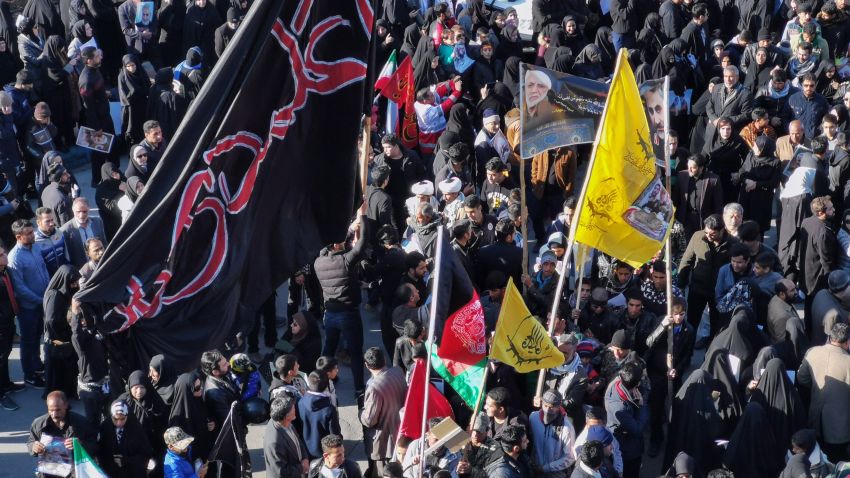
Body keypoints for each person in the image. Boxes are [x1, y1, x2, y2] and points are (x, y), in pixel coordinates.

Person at [314, 203, 368, 396]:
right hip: (349, 313)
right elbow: (361, 246)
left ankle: (320, 381)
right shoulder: (345, 261)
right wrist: (362, 218)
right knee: (355, 352)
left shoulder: (318, 263)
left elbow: (325, 250)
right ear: (337, 245)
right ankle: (359, 388)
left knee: (328, 348)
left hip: (330, 314)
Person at [678, 214, 740, 341]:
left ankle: (711, 354)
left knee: (717, 325)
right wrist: (680, 283)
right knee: (691, 323)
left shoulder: (733, 244)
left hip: (719, 292)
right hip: (697, 289)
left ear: (722, 230)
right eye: (706, 232)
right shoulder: (697, 237)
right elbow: (687, 260)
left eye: (712, 234)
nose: (707, 236)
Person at [798, 322, 850, 462]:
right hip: (840, 430)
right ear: (847, 342)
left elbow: (802, 379)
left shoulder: (812, 352)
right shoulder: (848, 361)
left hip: (816, 420)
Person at [8, 218, 49, 388]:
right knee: (28, 341)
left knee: (37, 336)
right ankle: (29, 374)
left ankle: (37, 365)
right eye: (29, 233)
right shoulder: (14, 257)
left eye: (32, 231)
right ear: (19, 237)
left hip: (42, 304)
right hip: (29, 308)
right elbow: (20, 288)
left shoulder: (35, 247)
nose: (33, 235)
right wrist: (40, 300)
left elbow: (44, 270)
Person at [359, 347, 406, 477]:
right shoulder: (398, 371)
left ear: (366, 366)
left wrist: (361, 413)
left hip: (384, 442)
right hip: (400, 433)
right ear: (384, 359)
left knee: (382, 473)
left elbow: (370, 420)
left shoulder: (374, 387)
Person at [27, 391, 98, 471]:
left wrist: (80, 445)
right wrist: (34, 447)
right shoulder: (38, 423)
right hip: (50, 469)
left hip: (75, 469)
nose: (54, 414)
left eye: (58, 410)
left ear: (66, 405)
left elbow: (94, 445)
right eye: (51, 410)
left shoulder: (82, 423)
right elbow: (31, 441)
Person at [800, 196, 839, 330]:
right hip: (818, 278)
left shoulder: (807, 222)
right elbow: (826, 260)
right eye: (830, 208)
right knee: (818, 308)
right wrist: (833, 282)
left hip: (807, 274)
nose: (834, 210)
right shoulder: (823, 232)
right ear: (821, 213)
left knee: (808, 306)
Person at [78, 47, 115, 185]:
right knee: (99, 152)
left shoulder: (95, 70)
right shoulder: (86, 80)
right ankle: (97, 180)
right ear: (89, 60)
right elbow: (89, 107)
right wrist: (96, 127)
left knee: (111, 147)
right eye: (97, 56)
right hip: (98, 121)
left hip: (105, 116)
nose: (100, 58)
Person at [604, 362, 648, 478]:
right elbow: (637, 429)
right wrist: (642, 405)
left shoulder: (617, 383)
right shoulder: (620, 408)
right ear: (635, 384)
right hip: (627, 448)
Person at [42, 264, 79, 399]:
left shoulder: (61, 292)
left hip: (60, 339)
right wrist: (66, 332)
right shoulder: (55, 295)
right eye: (72, 282)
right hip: (57, 340)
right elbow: (52, 320)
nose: (75, 285)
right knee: (57, 371)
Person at [97, 400, 152, 478]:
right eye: (115, 419)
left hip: (132, 473)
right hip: (110, 471)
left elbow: (146, 454)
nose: (119, 423)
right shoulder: (105, 428)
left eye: (123, 419)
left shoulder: (137, 429)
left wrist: (126, 460)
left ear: (127, 416)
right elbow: (100, 451)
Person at [529, 389, 576, 477]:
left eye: (551, 407)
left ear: (558, 407)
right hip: (535, 469)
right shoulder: (533, 418)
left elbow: (570, 457)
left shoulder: (566, 427)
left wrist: (547, 468)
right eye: (545, 405)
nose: (547, 409)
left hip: (555, 473)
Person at [263, 396, 310, 478]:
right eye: (293, 408)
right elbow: (281, 472)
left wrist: (305, 457)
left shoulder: (285, 422)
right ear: (286, 416)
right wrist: (302, 468)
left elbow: (298, 440)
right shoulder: (274, 442)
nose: (295, 408)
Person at [298, 371, 340, 459]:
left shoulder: (300, 402)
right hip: (324, 451)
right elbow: (334, 434)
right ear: (326, 386)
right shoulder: (328, 409)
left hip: (306, 448)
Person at [0, 245, 21, 410]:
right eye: (1, 255)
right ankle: (1, 395)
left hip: (8, 321)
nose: (5, 256)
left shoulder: (5, 272)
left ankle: (6, 384)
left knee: (6, 354)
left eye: (4, 253)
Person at [200, 349, 239, 439]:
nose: (229, 364)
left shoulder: (222, 375)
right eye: (225, 364)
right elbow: (229, 420)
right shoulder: (215, 394)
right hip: (230, 436)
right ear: (215, 372)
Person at [60, 197, 107, 268]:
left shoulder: (98, 221)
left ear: (89, 209)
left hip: (100, 265)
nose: (81, 215)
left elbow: (104, 242)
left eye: (85, 211)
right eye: (78, 212)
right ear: (73, 210)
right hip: (81, 270)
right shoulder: (65, 230)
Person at [811, 270, 850, 346]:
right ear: (844, 292)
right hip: (826, 347)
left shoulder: (821, 293)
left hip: (815, 338)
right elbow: (837, 341)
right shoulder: (834, 316)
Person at [32, 206, 68, 277]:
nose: (52, 223)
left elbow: (66, 254)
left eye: (52, 220)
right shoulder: (34, 241)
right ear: (38, 222)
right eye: (47, 221)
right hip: (49, 279)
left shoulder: (59, 232)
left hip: (65, 274)